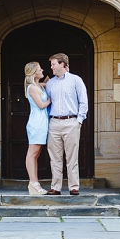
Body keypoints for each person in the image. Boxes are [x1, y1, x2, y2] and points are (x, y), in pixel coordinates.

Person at [44, 52, 88, 195]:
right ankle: (55, 187)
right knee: (55, 157)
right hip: (54, 122)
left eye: (53, 64)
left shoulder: (76, 80)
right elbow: (47, 102)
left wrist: (79, 121)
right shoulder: (50, 83)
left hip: (71, 122)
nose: (51, 67)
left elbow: (83, 102)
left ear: (63, 64)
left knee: (71, 157)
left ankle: (73, 186)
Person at [23, 61, 51, 195]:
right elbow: (41, 105)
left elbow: (46, 84)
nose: (42, 70)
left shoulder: (37, 86)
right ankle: (33, 183)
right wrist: (50, 100)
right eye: (40, 69)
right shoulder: (33, 88)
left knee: (36, 153)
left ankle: (34, 183)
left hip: (42, 122)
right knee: (32, 153)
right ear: (34, 72)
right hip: (37, 123)